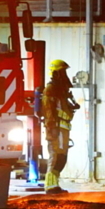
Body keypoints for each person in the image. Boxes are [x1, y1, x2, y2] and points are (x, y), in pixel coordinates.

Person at [41, 59, 79, 194]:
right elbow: (48, 109)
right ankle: (50, 186)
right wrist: (51, 128)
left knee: (62, 157)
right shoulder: (50, 89)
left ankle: (54, 184)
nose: (64, 74)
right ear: (56, 73)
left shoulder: (61, 90)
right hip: (56, 128)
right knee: (55, 156)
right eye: (62, 71)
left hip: (63, 128)